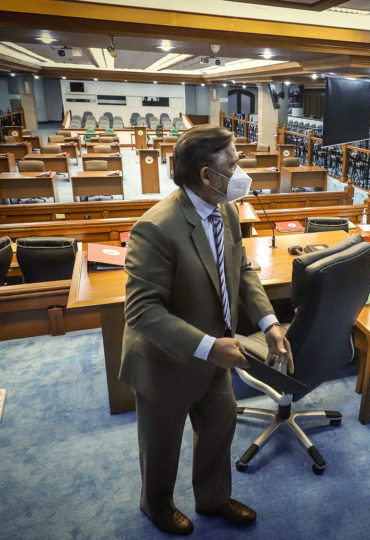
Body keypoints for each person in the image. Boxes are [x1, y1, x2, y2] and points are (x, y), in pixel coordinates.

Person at [120, 125, 294, 535]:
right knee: (161, 445)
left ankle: (213, 498)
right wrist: (208, 346)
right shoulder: (157, 227)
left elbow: (241, 268)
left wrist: (268, 322)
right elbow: (141, 311)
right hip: (166, 359)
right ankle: (156, 505)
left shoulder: (227, 210)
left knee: (219, 426)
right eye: (232, 165)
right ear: (205, 175)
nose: (240, 171)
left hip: (218, 352)